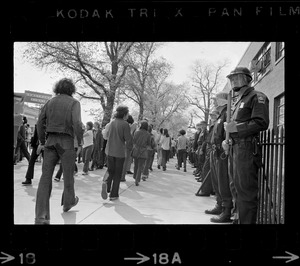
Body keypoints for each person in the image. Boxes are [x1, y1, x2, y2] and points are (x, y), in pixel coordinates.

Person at [223, 66, 269, 224]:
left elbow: (261, 122)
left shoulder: (257, 96)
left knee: (245, 192)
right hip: (235, 148)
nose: (233, 80)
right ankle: (238, 220)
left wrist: (237, 128)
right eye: (231, 78)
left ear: (247, 78)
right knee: (235, 187)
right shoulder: (238, 101)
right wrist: (227, 140)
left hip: (247, 150)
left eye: (237, 77)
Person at [35, 78, 83, 224]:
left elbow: (39, 122)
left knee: (45, 177)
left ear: (57, 88)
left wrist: (43, 141)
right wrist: (80, 142)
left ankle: (41, 215)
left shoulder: (50, 102)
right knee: (68, 175)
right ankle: (68, 203)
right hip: (66, 141)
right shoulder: (74, 103)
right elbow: (77, 123)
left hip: (50, 141)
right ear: (71, 89)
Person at [205, 92, 233, 223]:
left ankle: (226, 210)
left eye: (216, 100)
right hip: (215, 152)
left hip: (222, 153)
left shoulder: (228, 114)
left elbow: (230, 132)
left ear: (223, 101)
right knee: (217, 182)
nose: (214, 103)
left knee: (223, 182)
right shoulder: (221, 116)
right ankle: (219, 204)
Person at [101, 105, 133, 200]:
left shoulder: (111, 123)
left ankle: (106, 184)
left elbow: (105, 135)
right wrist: (130, 149)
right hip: (119, 152)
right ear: (124, 114)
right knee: (117, 173)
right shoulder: (125, 124)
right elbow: (128, 139)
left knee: (110, 170)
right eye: (127, 113)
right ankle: (114, 194)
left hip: (109, 150)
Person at [196, 109, 219, 196]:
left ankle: (207, 190)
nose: (211, 117)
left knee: (208, 169)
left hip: (213, 149)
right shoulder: (213, 126)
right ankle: (208, 189)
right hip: (210, 149)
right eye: (211, 116)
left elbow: (207, 140)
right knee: (207, 169)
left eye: (213, 115)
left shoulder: (216, 124)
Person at [132, 121, 151, 185]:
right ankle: (137, 179)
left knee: (136, 165)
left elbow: (133, 141)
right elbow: (149, 144)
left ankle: (135, 176)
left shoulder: (136, 132)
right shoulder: (148, 134)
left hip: (136, 150)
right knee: (140, 166)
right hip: (143, 151)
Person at [120, 115, 135, 182]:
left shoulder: (124, 125)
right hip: (128, 145)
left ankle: (121, 176)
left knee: (122, 161)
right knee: (125, 161)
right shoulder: (130, 126)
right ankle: (122, 176)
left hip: (122, 144)